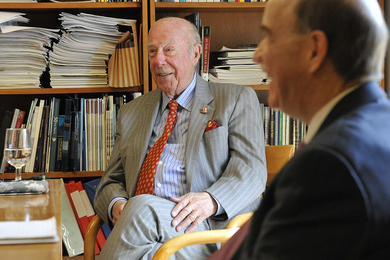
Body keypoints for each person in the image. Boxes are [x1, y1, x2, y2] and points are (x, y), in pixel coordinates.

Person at [208, 0, 390, 259]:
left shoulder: (328, 165)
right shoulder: (377, 126)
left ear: (314, 50)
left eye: (269, 37)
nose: (257, 55)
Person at [94, 17, 267, 259]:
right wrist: (118, 205)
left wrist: (210, 200)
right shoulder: (132, 112)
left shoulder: (235, 99)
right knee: (150, 249)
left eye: (168, 50)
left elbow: (252, 171)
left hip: (207, 228)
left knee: (143, 209)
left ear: (196, 54)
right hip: (142, 230)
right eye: (152, 51)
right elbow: (110, 181)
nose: (158, 60)